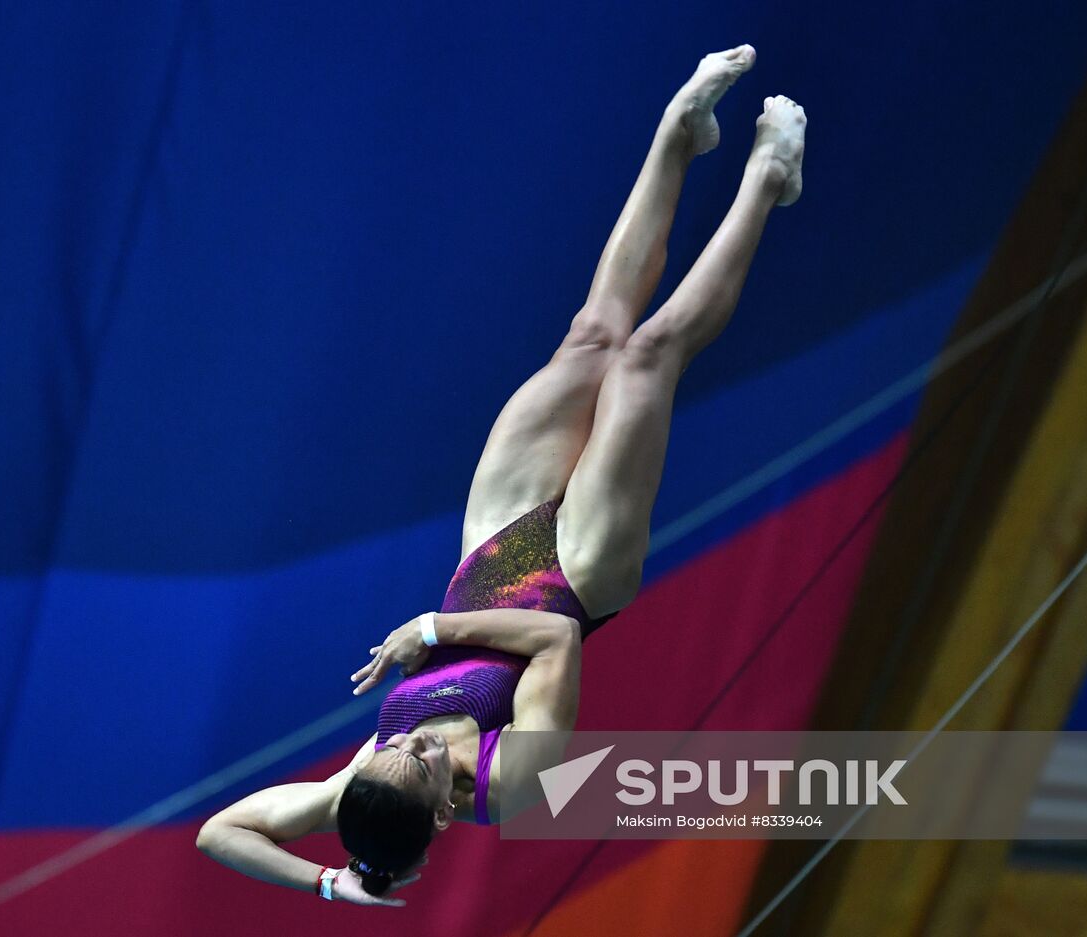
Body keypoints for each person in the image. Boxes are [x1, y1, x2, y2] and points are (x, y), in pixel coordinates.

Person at [196, 43, 806, 907]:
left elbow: (220, 832)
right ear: (442, 813)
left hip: (487, 554)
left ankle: (681, 131)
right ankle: (767, 177)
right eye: (411, 764)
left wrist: (332, 882)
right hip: (576, 580)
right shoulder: (509, 785)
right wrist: (434, 635)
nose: (396, 748)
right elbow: (554, 643)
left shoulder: (368, 785)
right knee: (645, 360)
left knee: (592, 336)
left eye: (388, 756)